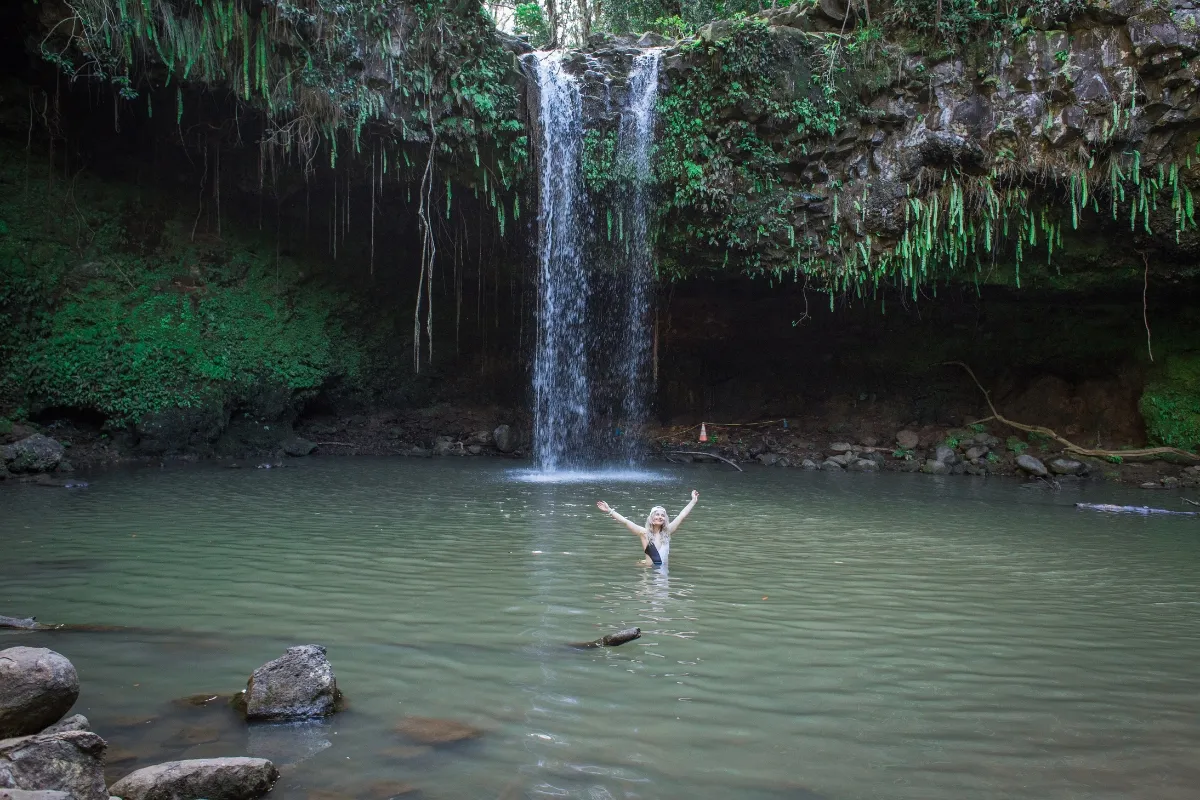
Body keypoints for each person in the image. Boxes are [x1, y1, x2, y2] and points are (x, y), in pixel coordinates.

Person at [595, 490, 699, 566]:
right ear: (651, 519)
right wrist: (609, 510)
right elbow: (625, 521)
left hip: (663, 571)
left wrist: (693, 501)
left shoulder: (667, 532)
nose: (660, 517)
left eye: (662, 515)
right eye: (657, 514)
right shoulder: (644, 533)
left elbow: (682, 515)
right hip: (649, 572)